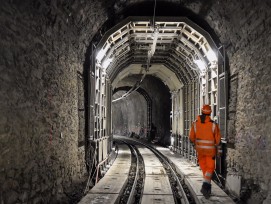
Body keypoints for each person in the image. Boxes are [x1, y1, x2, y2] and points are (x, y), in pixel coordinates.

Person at [189, 104, 222, 199]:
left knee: (204, 169)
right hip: (210, 152)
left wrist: (195, 146)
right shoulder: (213, 125)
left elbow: (191, 138)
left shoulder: (195, 124)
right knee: (210, 168)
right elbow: (218, 140)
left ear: (202, 112)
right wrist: (219, 151)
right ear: (210, 113)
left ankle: (207, 189)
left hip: (200, 152)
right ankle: (205, 187)